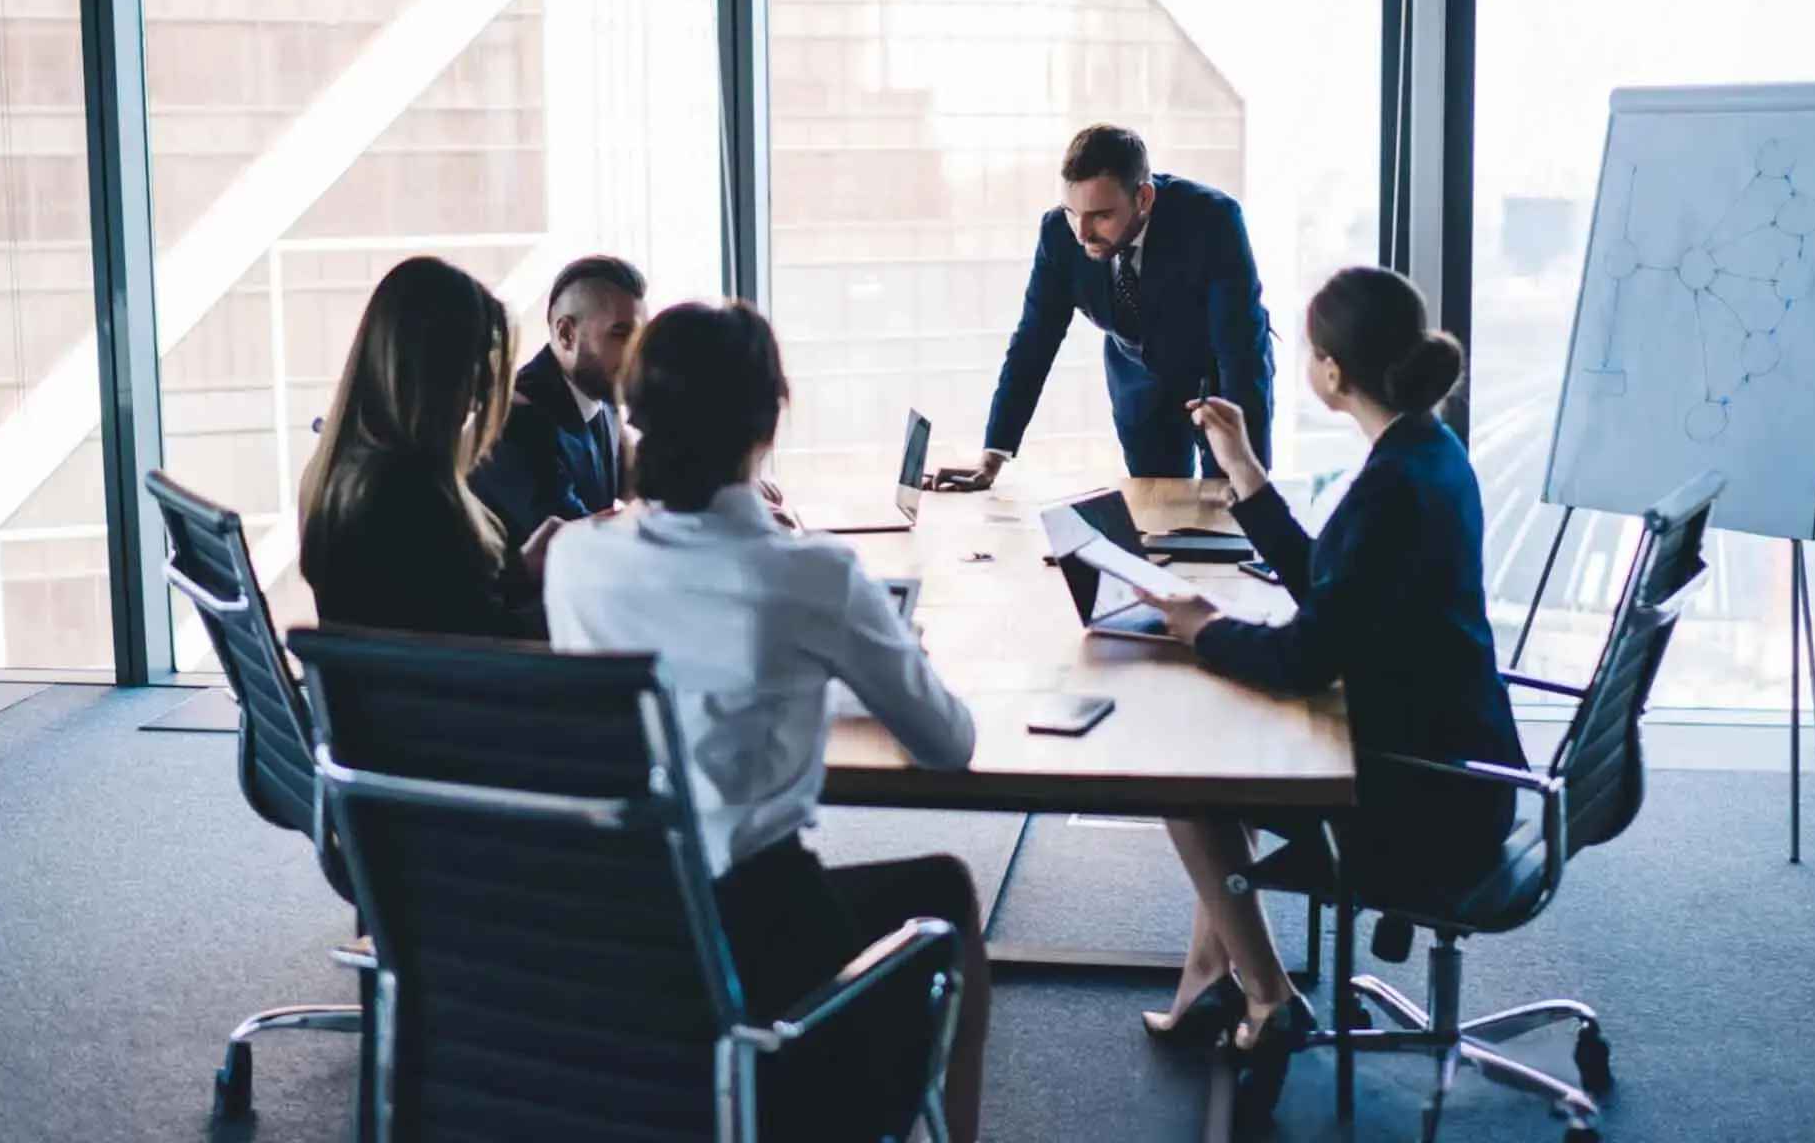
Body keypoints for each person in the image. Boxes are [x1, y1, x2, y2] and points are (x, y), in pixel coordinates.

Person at [544, 301, 990, 1143]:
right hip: (766, 956)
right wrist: (869, 656)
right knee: (945, 892)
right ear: (767, 421)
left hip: (616, 942)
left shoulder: (576, 558)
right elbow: (949, 743)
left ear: (635, 412)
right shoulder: (810, 574)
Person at [1133, 266, 1529, 1118]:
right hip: (1464, 761)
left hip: (1424, 793)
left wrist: (1206, 630)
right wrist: (1242, 470)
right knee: (1220, 758)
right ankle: (1214, 973)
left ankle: (1267, 995)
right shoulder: (1427, 451)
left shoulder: (1391, 484)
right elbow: (1335, 586)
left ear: (1332, 373)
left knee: (1186, 786)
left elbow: (1308, 655)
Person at [936, 123, 1274, 488]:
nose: (1082, 233)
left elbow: (1240, 346)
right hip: (1138, 387)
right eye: (1072, 212)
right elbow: (1034, 341)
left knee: (1229, 514)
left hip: (1219, 381)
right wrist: (993, 453)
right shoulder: (1058, 234)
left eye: (1101, 215)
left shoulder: (1212, 219)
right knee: (1157, 520)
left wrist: (1246, 469)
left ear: (1143, 198)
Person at [299, 255, 558, 640]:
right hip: (450, 697)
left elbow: (438, 605)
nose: (486, 385)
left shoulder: (348, 474)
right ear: (434, 368)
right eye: (477, 360)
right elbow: (487, 644)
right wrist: (580, 598)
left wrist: (521, 568)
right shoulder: (407, 498)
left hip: (394, 695)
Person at [469, 254, 646, 543]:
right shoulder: (515, 424)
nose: (637, 352)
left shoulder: (604, 398)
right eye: (621, 334)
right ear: (566, 334)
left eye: (641, 336)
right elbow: (575, 541)